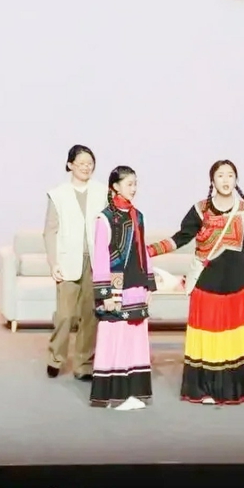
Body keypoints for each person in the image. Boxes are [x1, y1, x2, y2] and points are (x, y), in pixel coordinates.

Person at [148, 159, 244, 405]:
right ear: (212, 180)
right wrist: (148, 250)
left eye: (230, 175)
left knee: (231, 339)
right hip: (206, 284)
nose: (226, 180)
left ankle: (230, 390)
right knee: (206, 339)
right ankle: (203, 390)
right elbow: (180, 238)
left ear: (236, 180)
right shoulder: (200, 209)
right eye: (220, 175)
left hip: (235, 285)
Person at [90, 166, 155, 410]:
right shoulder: (105, 218)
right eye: (129, 184)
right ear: (115, 187)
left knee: (135, 339)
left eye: (135, 183)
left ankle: (133, 393)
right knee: (114, 338)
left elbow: (143, 251)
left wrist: (149, 285)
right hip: (116, 290)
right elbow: (100, 258)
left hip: (136, 285)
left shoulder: (138, 216)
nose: (134, 188)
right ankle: (113, 397)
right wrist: (105, 293)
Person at [43, 144, 108, 380]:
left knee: (90, 315)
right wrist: (53, 263)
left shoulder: (103, 192)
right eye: (81, 163)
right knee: (65, 315)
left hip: (95, 262)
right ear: (70, 165)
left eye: (90, 163)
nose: (86, 167)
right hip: (67, 261)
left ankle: (84, 364)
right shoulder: (58, 194)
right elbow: (50, 231)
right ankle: (55, 357)